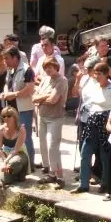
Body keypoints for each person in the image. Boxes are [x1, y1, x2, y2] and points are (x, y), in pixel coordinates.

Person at [74, 62, 111, 194]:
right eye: (95, 73)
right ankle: (83, 183)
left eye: (99, 73)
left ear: (106, 74)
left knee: (104, 154)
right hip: (91, 120)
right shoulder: (95, 86)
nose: (96, 76)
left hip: (105, 121)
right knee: (85, 152)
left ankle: (105, 183)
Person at [33, 56, 68, 186]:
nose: (48, 70)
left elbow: (53, 100)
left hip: (55, 117)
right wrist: (45, 97)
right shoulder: (45, 79)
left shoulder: (62, 80)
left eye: (50, 67)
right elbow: (33, 98)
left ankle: (60, 176)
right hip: (41, 116)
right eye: (45, 67)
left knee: (53, 146)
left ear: (56, 66)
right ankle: (51, 174)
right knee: (43, 146)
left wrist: (40, 99)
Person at [2, 47, 36, 169]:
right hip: (11, 108)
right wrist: (6, 93)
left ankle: (30, 164)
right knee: (14, 136)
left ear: (15, 58)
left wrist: (14, 94)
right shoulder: (10, 70)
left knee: (25, 137)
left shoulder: (27, 70)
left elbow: (30, 89)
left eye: (7, 58)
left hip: (24, 108)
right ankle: (17, 163)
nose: (5, 61)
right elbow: (7, 84)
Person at [0, 107, 28, 185]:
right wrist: (4, 161)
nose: (6, 118)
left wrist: (6, 162)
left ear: (14, 117)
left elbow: (16, 150)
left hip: (19, 153)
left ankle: (20, 171)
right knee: (5, 180)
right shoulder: (1, 129)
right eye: (4, 116)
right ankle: (14, 174)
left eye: (9, 116)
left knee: (13, 163)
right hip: (5, 154)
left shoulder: (21, 129)